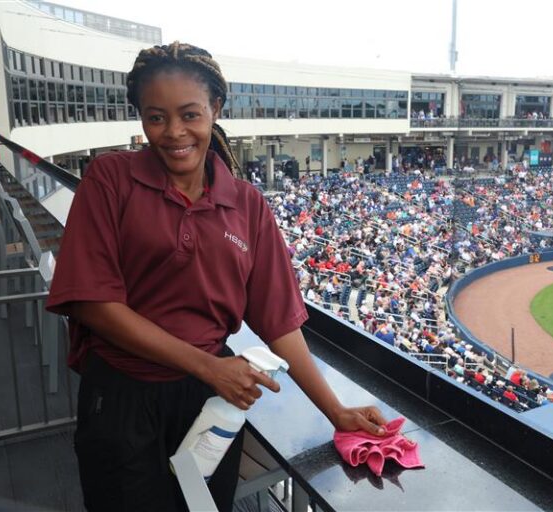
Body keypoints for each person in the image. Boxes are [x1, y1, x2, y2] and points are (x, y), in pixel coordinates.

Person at [45, 42, 386, 512]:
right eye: (156, 117)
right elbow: (93, 304)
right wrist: (208, 367)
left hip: (210, 406)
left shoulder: (246, 204)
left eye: (189, 114)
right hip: (124, 395)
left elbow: (279, 323)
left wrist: (336, 411)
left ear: (215, 109)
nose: (173, 132)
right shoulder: (110, 179)